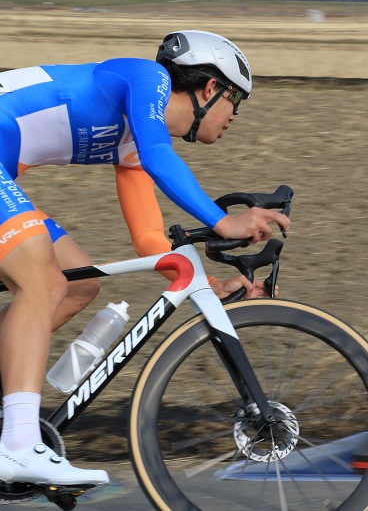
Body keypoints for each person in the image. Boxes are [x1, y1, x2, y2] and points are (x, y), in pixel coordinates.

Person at [0, 30, 290, 486]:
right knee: (43, 282)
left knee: (77, 282)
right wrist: (223, 222)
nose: (235, 116)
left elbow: (149, 238)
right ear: (211, 89)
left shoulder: (132, 141)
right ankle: (18, 444)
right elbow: (160, 154)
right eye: (237, 101)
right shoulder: (146, 76)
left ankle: (10, 404)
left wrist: (205, 287)